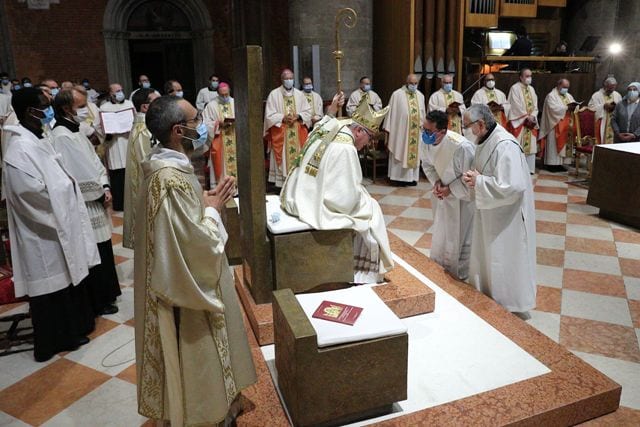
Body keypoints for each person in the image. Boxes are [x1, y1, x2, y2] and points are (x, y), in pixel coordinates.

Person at [135, 95, 256, 426]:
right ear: (178, 131)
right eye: (195, 120)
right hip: (186, 289)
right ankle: (205, 412)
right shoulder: (168, 179)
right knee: (196, 344)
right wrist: (213, 211)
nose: (201, 125)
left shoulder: (166, 164)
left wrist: (203, 201)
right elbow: (195, 246)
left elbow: (181, 222)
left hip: (181, 273)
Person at [3, 87, 99, 361]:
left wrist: (68, 190)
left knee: (64, 285)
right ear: (29, 112)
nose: (48, 110)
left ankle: (70, 332)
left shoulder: (39, 138)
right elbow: (27, 193)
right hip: (41, 232)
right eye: (44, 106)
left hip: (58, 226)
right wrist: (66, 195)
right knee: (50, 290)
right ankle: (52, 342)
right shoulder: (19, 149)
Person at [281, 92, 394, 283]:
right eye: (369, 138)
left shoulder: (333, 125)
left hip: (297, 192)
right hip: (312, 204)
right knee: (373, 211)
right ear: (358, 131)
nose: (369, 144)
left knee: (366, 200)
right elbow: (343, 201)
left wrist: (332, 108)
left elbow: (322, 122)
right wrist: (361, 196)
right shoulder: (346, 148)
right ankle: (360, 270)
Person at [51, 88, 121, 315]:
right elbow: (78, 171)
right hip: (85, 202)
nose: (85, 110)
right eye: (81, 106)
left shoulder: (76, 129)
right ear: (66, 108)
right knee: (95, 251)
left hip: (96, 195)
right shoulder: (61, 135)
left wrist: (105, 185)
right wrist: (98, 191)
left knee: (104, 247)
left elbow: (94, 160)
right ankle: (100, 300)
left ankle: (108, 294)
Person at [462, 104, 536, 316]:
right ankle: (488, 295)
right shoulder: (484, 140)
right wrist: (474, 178)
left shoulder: (505, 145)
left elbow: (512, 186)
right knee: (488, 255)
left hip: (507, 218)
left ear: (481, 124)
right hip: (491, 212)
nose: (466, 130)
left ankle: (507, 302)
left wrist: (479, 181)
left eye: (467, 126)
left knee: (502, 257)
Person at [420, 111, 475, 280]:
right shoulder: (426, 141)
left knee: (460, 235)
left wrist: (450, 189)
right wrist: (436, 182)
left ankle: (459, 275)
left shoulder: (461, 147)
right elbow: (427, 164)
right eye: (424, 129)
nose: (425, 134)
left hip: (462, 199)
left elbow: (470, 176)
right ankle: (439, 269)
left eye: (429, 131)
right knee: (441, 232)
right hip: (442, 195)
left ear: (442, 131)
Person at [122, 88, 159, 250]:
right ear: (145, 107)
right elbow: (150, 165)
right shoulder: (144, 130)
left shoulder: (145, 126)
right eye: (156, 102)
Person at [263, 68, 312, 187]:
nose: (289, 81)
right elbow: (269, 115)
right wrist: (282, 118)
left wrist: (298, 116)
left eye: (291, 78)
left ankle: (297, 183)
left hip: (297, 133)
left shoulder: (300, 95)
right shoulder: (274, 94)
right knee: (284, 159)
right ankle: (282, 185)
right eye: (286, 79)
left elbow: (308, 112)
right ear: (282, 80)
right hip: (282, 134)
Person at [383, 74, 426, 186]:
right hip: (400, 132)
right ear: (406, 83)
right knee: (400, 150)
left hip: (416, 132)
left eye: (415, 83)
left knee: (413, 152)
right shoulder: (397, 95)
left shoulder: (420, 96)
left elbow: (423, 113)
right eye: (411, 83)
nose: (413, 85)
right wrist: (389, 131)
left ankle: (411, 178)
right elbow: (391, 114)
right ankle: (397, 178)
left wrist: (423, 125)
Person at [99, 83, 135, 211]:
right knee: (117, 174)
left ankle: (133, 202)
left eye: (121, 90)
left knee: (130, 172)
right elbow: (98, 126)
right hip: (113, 143)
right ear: (111, 94)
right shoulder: (104, 108)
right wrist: (107, 133)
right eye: (117, 91)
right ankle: (119, 204)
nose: (120, 93)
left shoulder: (129, 104)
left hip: (127, 141)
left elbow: (135, 120)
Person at [539, 78, 578, 172]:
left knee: (564, 147)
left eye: (567, 87)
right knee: (553, 145)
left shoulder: (568, 96)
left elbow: (575, 105)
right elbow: (552, 109)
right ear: (558, 85)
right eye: (564, 87)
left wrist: (575, 107)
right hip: (554, 125)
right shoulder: (551, 96)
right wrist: (566, 108)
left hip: (566, 125)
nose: (566, 89)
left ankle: (560, 164)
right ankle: (551, 164)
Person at [203, 82, 237, 186]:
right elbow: (205, 124)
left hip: (236, 139)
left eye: (227, 94)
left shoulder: (235, 102)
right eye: (222, 95)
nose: (225, 97)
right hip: (219, 140)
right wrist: (217, 124)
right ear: (218, 93)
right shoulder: (211, 105)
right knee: (221, 164)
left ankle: (237, 186)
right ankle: (221, 187)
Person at [507, 68, 538, 174]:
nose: (529, 78)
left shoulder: (532, 89)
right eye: (527, 76)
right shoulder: (515, 88)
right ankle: (517, 169)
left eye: (530, 76)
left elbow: (535, 105)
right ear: (521, 77)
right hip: (520, 121)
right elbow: (515, 105)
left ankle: (529, 169)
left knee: (531, 146)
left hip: (530, 122)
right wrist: (526, 116)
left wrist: (533, 115)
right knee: (518, 145)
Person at [588, 77, 622, 145]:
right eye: (609, 89)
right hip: (602, 122)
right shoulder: (596, 95)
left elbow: (621, 107)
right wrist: (603, 106)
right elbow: (591, 108)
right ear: (604, 86)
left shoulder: (617, 95)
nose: (611, 91)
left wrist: (615, 107)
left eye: (613, 88)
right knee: (601, 140)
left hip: (614, 122)